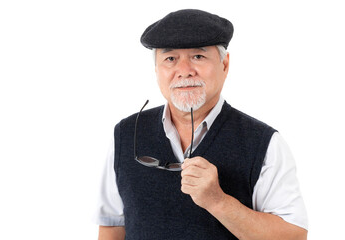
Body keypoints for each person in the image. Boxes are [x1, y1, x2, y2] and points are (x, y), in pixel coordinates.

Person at [95, 9, 308, 240]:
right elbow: (112, 227)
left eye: (198, 56)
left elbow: (293, 236)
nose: (185, 72)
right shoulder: (127, 134)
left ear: (224, 65)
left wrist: (219, 202)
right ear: (156, 69)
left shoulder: (264, 143)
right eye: (170, 59)